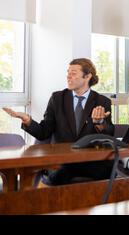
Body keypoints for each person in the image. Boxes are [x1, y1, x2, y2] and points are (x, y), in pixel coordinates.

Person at [3, 58, 114, 186]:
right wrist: (28, 121)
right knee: (61, 173)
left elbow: (109, 134)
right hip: (62, 160)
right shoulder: (57, 98)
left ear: (87, 76)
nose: (68, 76)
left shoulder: (102, 101)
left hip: (90, 160)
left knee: (110, 172)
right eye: (68, 73)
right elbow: (44, 132)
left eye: (73, 73)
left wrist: (99, 122)